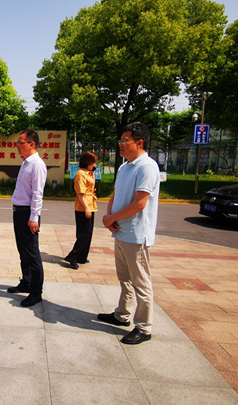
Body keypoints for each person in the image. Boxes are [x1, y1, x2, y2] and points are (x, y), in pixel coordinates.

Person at [98, 122, 160, 345]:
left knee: (140, 282)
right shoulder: (125, 167)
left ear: (139, 143)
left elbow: (139, 204)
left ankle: (144, 327)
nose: (121, 144)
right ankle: (122, 314)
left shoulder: (147, 167)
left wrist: (112, 218)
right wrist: (109, 216)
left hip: (136, 235)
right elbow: (115, 194)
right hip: (121, 231)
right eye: (120, 140)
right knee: (124, 279)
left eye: (125, 140)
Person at [7, 129, 47, 307]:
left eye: (20, 143)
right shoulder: (25, 163)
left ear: (31, 144)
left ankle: (36, 292)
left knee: (32, 253)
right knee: (22, 250)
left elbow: (38, 194)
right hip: (19, 211)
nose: (17, 146)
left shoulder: (37, 165)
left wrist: (34, 217)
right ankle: (26, 282)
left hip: (28, 213)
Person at [64, 151, 98, 269]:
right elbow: (80, 194)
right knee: (83, 234)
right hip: (83, 207)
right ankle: (72, 257)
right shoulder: (80, 174)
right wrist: (86, 208)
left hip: (91, 204)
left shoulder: (88, 173)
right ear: (87, 162)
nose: (95, 165)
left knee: (89, 234)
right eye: (93, 163)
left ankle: (82, 257)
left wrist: (92, 173)